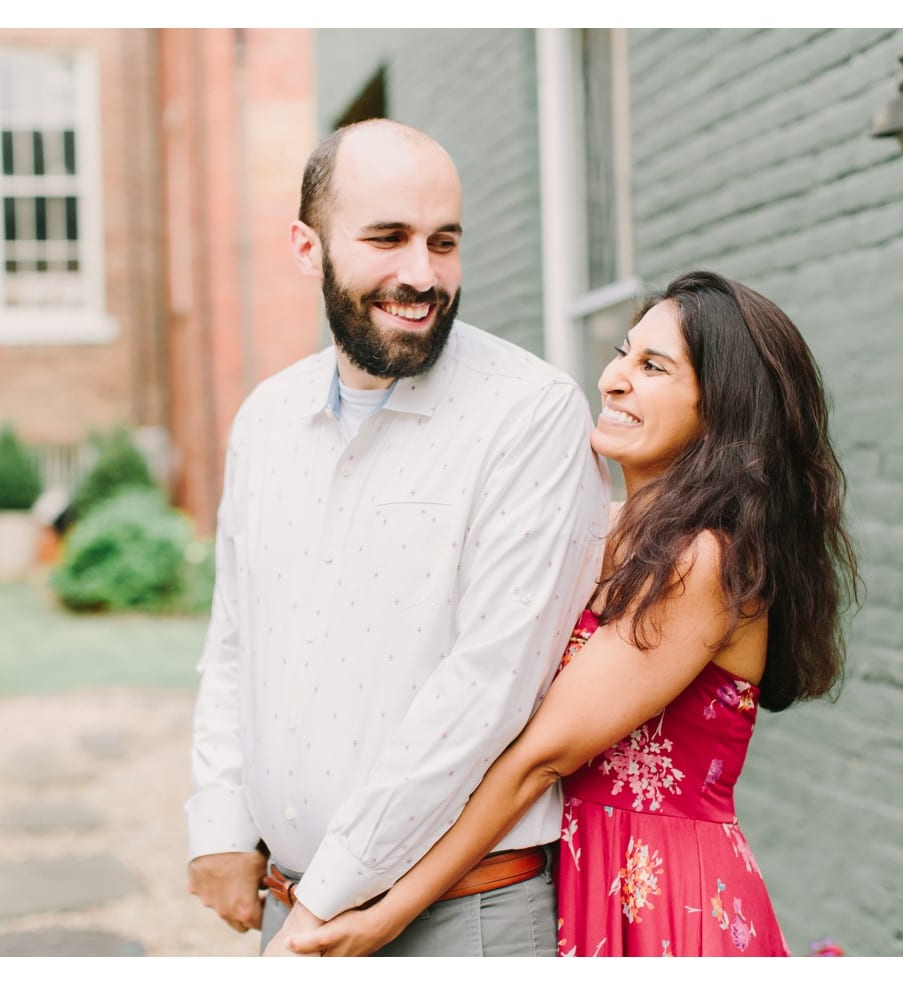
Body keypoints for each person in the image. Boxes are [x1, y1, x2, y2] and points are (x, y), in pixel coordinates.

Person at [282, 270, 861, 957]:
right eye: (623, 352)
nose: (614, 378)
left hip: (667, 901)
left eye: (653, 367)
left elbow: (540, 757)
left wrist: (391, 909)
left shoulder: (703, 560)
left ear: (721, 409)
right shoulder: (603, 529)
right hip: (581, 870)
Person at [185, 118, 610, 957]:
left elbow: (488, 692)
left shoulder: (530, 412)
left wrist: (328, 894)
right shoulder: (266, 418)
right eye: (388, 238)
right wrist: (220, 820)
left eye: (443, 241)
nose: (423, 275)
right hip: (292, 902)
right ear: (309, 250)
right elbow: (236, 641)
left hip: (463, 919)